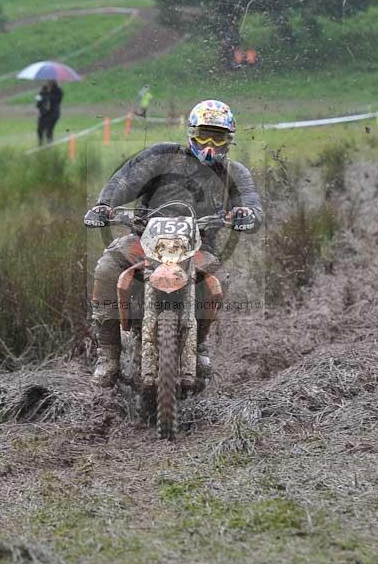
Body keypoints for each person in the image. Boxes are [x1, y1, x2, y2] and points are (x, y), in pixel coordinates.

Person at [84, 99, 263, 387]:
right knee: (107, 268)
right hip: (144, 239)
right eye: (203, 136)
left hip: (198, 246)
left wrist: (246, 214)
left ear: (229, 140)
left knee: (219, 279)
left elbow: (252, 204)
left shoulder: (235, 173)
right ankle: (108, 355)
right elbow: (125, 181)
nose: (209, 146)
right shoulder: (162, 158)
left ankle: (200, 342)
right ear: (191, 134)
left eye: (217, 138)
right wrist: (105, 205)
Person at [35, 79, 63, 145]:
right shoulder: (43, 90)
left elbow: (58, 100)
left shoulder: (58, 91)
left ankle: (49, 144)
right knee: (39, 129)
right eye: (48, 81)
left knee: (49, 130)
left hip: (53, 114)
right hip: (43, 113)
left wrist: (49, 94)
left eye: (51, 81)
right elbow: (38, 104)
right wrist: (39, 99)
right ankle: (40, 144)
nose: (49, 82)